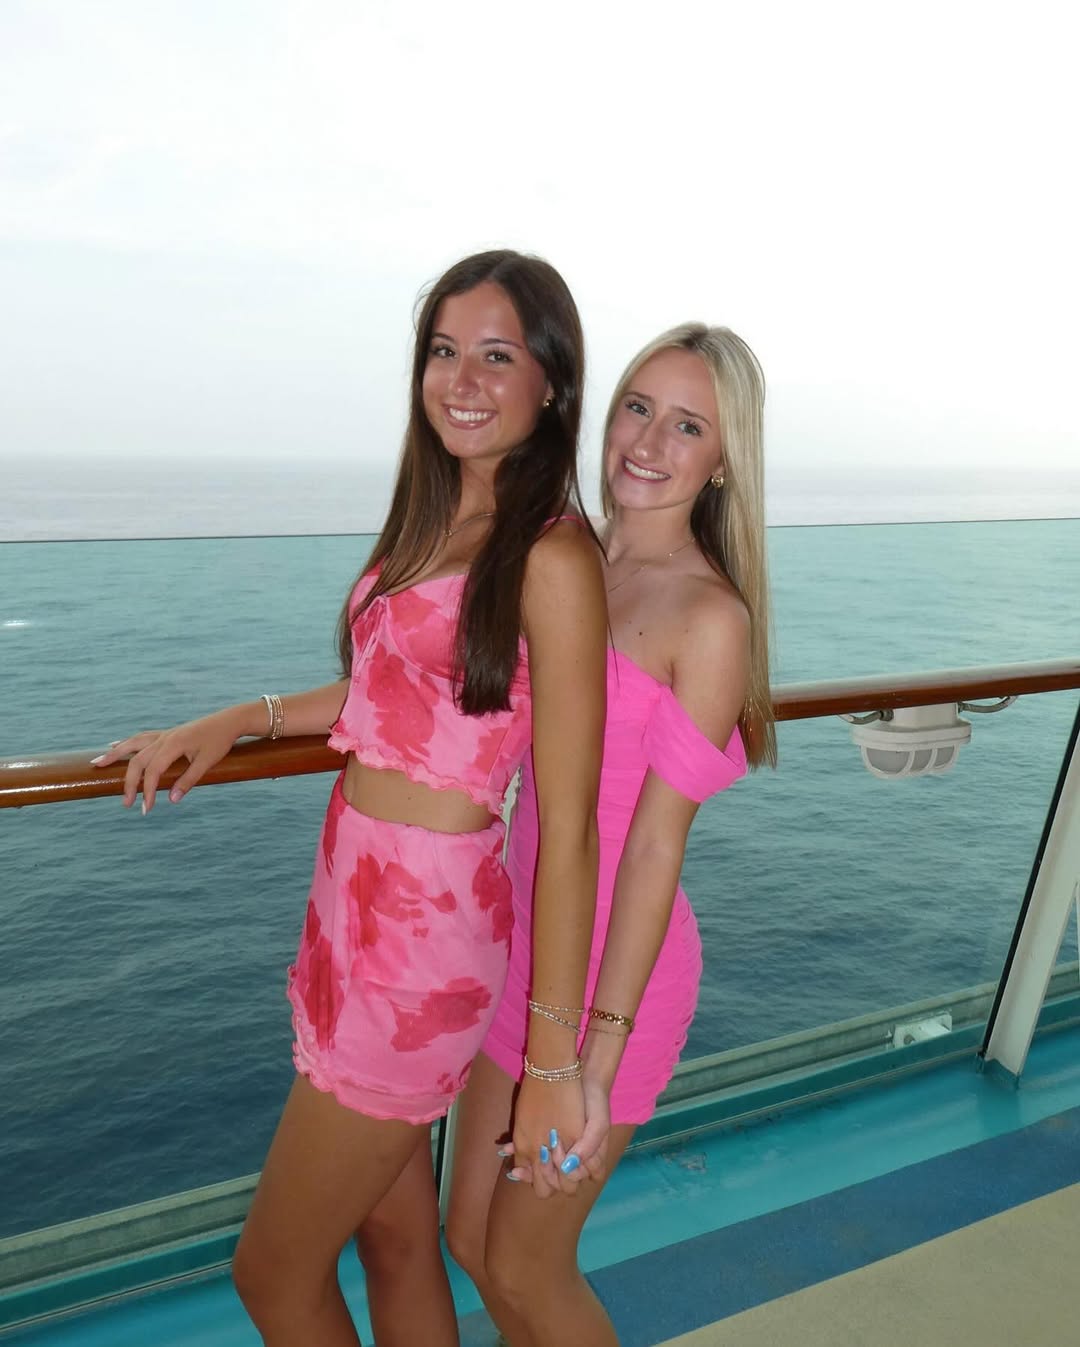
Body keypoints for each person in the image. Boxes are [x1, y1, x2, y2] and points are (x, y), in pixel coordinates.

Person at [91, 250, 607, 1347]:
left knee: (272, 1274)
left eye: (497, 356)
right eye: (444, 351)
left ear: (551, 382)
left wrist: (555, 1066)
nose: (462, 379)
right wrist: (243, 716)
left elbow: (569, 829)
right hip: (349, 909)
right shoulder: (438, 518)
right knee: (393, 1241)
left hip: (424, 947)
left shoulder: (554, 558)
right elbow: (385, 693)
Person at [446, 323, 776, 1347]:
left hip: (611, 987)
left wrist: (595, 1057)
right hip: (521, 951)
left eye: (689, 426)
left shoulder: (709, 618)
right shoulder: (565, 555)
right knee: (470, 1239)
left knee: (525, 1267)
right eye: (638, 407)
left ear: (724, 463)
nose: (650, 441)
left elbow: (652, 847)